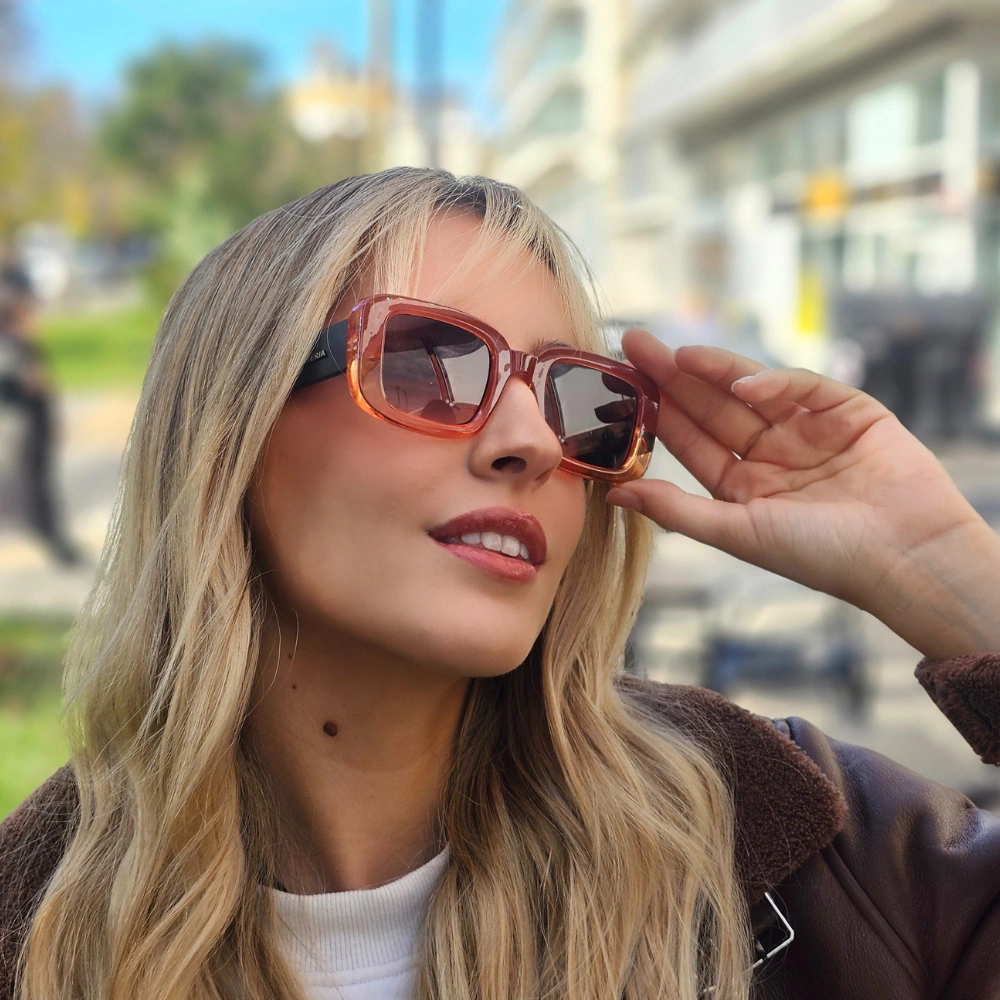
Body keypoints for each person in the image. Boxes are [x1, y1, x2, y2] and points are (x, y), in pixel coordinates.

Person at [2, 169, 1000, 1000]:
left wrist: (947, 575)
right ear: (232, 429)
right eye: (430, 363)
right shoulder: (32, 930)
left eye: (580, 399)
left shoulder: (811, 844)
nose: (534, 442)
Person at [0, 265, 80, 566]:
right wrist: (28, 382)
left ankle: (48, 533)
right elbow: (21, 385)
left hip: (34, 423)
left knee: (37, 481)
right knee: (32, 484)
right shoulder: (11, 346)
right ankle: (49, 537)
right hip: (23, 427)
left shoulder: (23, 344)